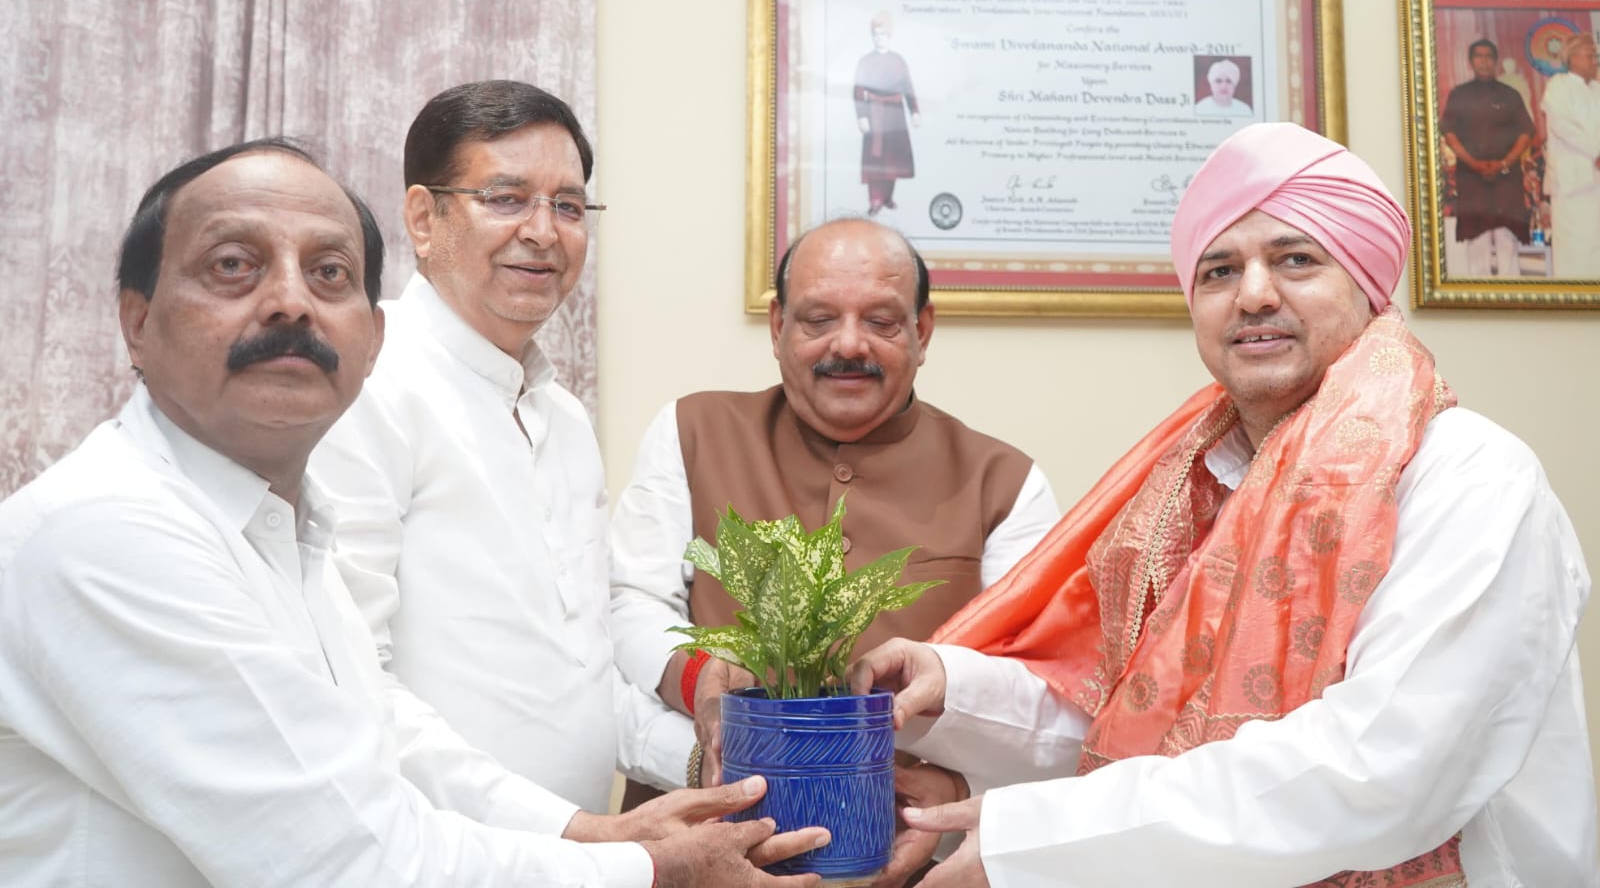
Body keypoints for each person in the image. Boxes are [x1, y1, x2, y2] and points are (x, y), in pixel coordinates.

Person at [0, 138, 828, 887]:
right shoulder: (108, 531)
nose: (290, 302)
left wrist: (592, 830)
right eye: (233, 265)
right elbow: (348, 859)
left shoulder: (287, 526)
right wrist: (644, 867)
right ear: (137, 321)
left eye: (329, 274)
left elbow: (382, 739)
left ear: (369, 337)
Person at [852, 123, 1597, 887]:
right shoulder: (1192, 490)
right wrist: (953, 691)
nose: (1254, 294)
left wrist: (1036, 841)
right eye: (1219, 270)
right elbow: (1129, 724)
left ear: (1368, 284)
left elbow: (1383, 771)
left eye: (1296, 259)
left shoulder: (1470, 476)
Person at [309, 81, 680, 814]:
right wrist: (567, 834)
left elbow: (580, 671)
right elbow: (349, 681)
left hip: (568, 852)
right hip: (436, 850)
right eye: (506, 198)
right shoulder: (369, 386)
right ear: (424, 217)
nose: (543, 231)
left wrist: (707, 755)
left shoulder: (562, 416)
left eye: (568, 206)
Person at [608, 219, 1061, 817]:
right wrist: (699, 684)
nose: (848, 345)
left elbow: (1046, 692)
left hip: (909, 847)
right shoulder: (691, 433)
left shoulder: (1006, 483)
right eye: (819, 320)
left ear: (922, 331)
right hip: (694, 835)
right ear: (778, 327)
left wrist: (961, 791)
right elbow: (629, 606)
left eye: (881, 322)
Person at [1439, 38, 1537, 277]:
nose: (1484, 61)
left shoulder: (1509, 94)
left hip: (1507, 177)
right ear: (1471, 62)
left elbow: (1526, 133)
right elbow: (1449, 134)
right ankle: (1478, 293)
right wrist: (1474, 164)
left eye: (1489, 56)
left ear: (1496, 61)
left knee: (1507, 237)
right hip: (1471, 177)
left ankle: (1511, 293)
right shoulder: (1460, 94)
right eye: (1479, 56)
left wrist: (1504, 163)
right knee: (1477, 240)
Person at [1541, 32, 1600, 278]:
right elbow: (1562, 126)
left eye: (1595, 56)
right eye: (1590, 56)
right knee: (1574, 251)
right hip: (1571, 184)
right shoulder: (1558, 85)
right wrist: (1597, 151)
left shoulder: (1597, 89)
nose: (1595, 61)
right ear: (1573, 58)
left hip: (1596, 184)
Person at [853, 13, 921, 215]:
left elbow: (908, 87)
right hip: (874, 113)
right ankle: (875, 200)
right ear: (872, 36)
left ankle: (887, 197)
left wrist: (914, 111)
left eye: (883, 34)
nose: (879, 38)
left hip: (895, 114)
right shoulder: (865, 61)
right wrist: (861, 116)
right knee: (875, 159)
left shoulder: (898, 61)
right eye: (876, 34)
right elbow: (858, 90)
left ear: (890, 36)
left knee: (892, 159)